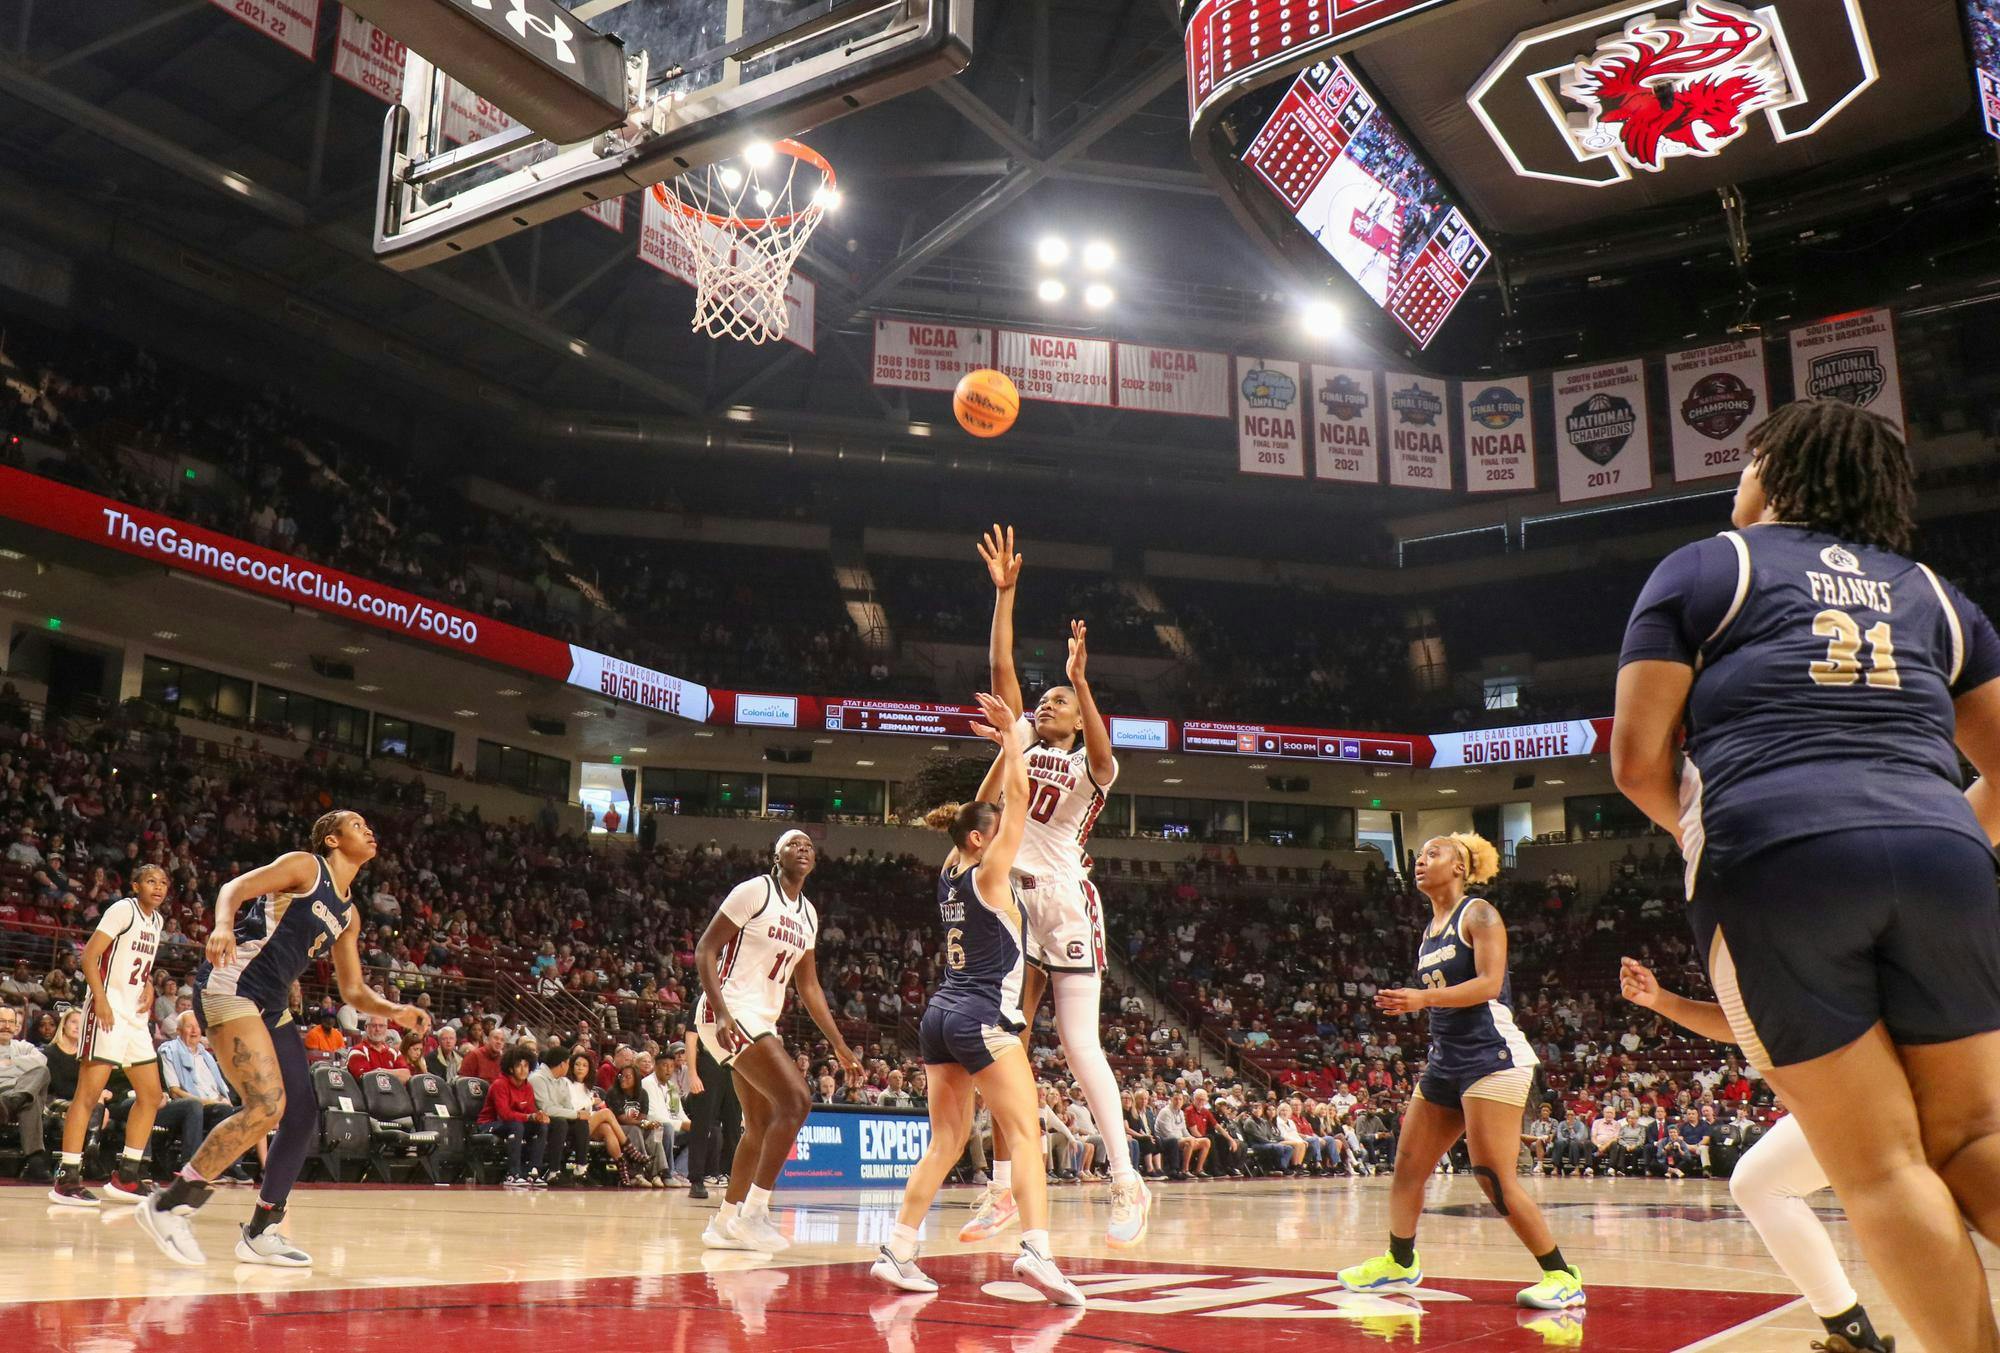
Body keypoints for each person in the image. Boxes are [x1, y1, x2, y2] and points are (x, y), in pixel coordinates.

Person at [1612, 399, 2000, 1353]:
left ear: (1777, 471)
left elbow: (1634, 759)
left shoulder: (1708, 566)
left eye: (1746, 463)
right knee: (1971, 1140)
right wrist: (1953, 830)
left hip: (1776, 847)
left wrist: (1714, 837)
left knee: (1879, 1166)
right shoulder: (1938, 596)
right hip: (1943, 851)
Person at [136, 811, 430, 1268]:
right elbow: (233, 889)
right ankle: (170, 1204)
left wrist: (397, 1011)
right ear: (332, 839)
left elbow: (351, 989)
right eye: (356, 825)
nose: (369, 829)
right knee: (265, 1107)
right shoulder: (306, 866)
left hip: (270, 1003)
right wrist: (221, 925)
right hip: (232, 983)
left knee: (302, 1112)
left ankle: (262, 1230)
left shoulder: (348, 914)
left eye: (369, 824)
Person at [869, 692, 1083, 1305]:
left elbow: (985, 806)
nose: (1005, 836)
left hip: (939, 1016)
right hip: (985, 1016)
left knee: (946, 1141)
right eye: (997, 834)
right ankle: (1038, 1253)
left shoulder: (950, 867)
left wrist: (1000, 753)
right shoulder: (991, 872)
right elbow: (1013, 804)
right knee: (1025, 1137)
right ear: (984, 840)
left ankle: (899, 1250)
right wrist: (1017, 741)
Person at [972, 525, 1147, 1248]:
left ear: (1077, 717)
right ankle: (1005, 1186)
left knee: (1079, 1046)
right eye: (1041, 701)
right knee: (999, 1037)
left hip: (1068, 901)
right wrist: (1005, 594)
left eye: (1057, 703)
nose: (1044, 705)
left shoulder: (1086, 768)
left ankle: (1127, 1179)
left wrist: (1080, 681)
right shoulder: (1022, 744)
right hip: (1013, 901)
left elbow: (1105, 750)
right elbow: (1001, 665)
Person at [1338, 833, 1584, 1310]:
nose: (1421, 862)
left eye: (1434, 854)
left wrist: (1422, 998)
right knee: (1408, 1165)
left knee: (1492, 1175)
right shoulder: (1431, 928)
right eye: (1419, 856)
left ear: (1460, 866)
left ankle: (1562, 1275)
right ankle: (1399, 1261)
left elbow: (1490, 984)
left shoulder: (1480, 913)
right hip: (1446, 1060)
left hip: (1492, 1057)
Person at [1621, 956, 1893, 1352]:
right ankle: (1854, 1336)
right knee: (1758, 1182)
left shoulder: (1780, 916)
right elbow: (1752, 1023)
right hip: (1852, 1084)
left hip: (1903, 1069)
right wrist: (1662, 1000)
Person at [694, 828, 862, 1252]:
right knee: (797, 1100)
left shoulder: (807, 914)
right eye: (794, 843)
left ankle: (724, 1222)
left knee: (763, 1124)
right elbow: (705, 951)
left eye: (809, 845)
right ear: (777, 855)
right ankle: (755, 1212)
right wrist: (723, 1010)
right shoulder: (755, 891)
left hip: (761, 1020)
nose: (803, 848)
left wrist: (839, 1042)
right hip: (728, 1011)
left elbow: (809, 987)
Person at [50, 864, 170, 1205]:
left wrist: (147, 985)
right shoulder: (123, 909)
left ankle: (127, 1175)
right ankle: (67, 1177)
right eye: (150, 881)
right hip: (106, 1009)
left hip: (134, 1016)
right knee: (88, 1094)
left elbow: (136, 963)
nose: (158, 887)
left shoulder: (157, 921)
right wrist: (99, 1000)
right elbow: (90, 955)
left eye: (163, 882)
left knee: (151, 1094)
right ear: (136, 885)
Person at [478, 1045, 548, 1187]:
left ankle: (533, 1171)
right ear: (510, 1068)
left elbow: (530, 1111)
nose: (523, 1070)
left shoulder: (527, 1086)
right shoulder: (499, 1084)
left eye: (526, 1066)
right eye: (519, 1066)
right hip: (489, 1124)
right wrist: (529, 1117)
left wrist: (538, 1116)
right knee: (516, 1125)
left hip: (514, 1124)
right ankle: (513, 1174)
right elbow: (504, 1114)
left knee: (540, 1126)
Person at [0, 1003, 51, 1179]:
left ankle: (16, 1099)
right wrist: (21, 1066)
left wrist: (11, 1063)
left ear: (16, 1026)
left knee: (42, 1072)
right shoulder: (25, 1052)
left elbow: (41, 1061)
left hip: (19, 1091)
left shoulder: (23, 1046)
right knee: (32, 1099)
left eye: (10, 1022)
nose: (6, 1026)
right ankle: (35, 1160)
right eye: (1, 1021)